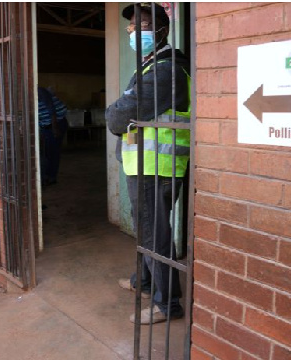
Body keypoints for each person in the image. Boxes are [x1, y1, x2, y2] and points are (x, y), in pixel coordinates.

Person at [106, 3, 191, 324]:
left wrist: (117, 110)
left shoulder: (166, 69)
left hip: (157, 167)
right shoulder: (151, 65)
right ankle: (141, 282)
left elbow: (117, 116)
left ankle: (167, 304)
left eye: (141, 27)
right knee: (148, 226)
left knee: (154, 232)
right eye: (131, 28)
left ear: (161, 31)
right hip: (148, 165)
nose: (133, 33)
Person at [38, 86, 68, 186]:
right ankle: (47, 175)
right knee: (47, 152)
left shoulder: (40, 91)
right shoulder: (28, 94)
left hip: (56, 123)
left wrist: (55, 128)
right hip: (46, 125)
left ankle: (51, 177)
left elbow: (51, 109)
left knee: (53, 151)